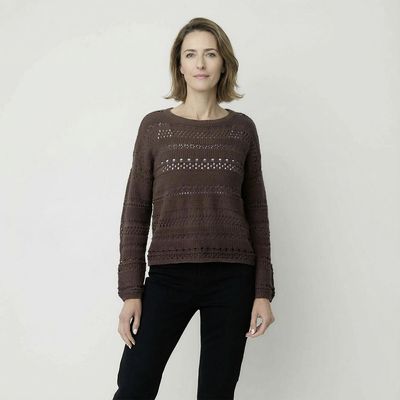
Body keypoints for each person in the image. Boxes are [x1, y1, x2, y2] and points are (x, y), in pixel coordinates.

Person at [112, 17, 276, 400]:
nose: (200, 63)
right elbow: (135, 210)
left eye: (210, 54)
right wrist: (131, 291)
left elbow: (257, 212)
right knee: (134, 386)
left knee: (217, 393)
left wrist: (263, 291)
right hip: (168, 276)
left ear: (223, 63)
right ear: (180, 65)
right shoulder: (155, 128)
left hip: (232, 278)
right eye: (191, 54)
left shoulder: (242, 130)